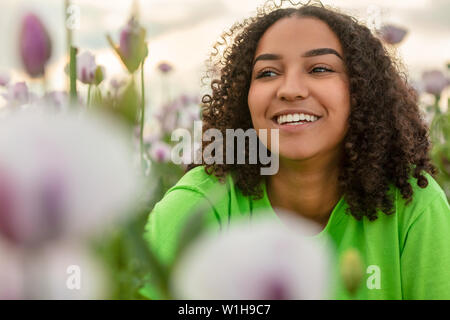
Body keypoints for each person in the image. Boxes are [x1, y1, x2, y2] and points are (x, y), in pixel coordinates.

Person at [140, 1, 450, 300]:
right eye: (268, 73)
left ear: (361, 91)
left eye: (318, 68)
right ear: (243, 98)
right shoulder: (196, 209)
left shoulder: (415, 208)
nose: (290, 90)